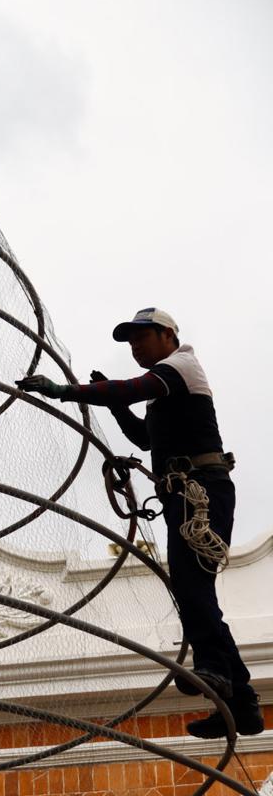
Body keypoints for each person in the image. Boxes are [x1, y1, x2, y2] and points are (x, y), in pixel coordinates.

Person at [17, 307, 262, 739]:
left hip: (200, 491)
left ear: (168, 334)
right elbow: (144, 438)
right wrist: (106, 401)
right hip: (185, 492)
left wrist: (65, 391)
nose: (135, 347)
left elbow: (130, 388)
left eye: (141, 338)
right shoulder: (165, 388)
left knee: (191, 586)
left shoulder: (180, 365)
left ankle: (217, 674)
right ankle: (241, 703)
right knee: (190, 588)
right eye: (130, 342)